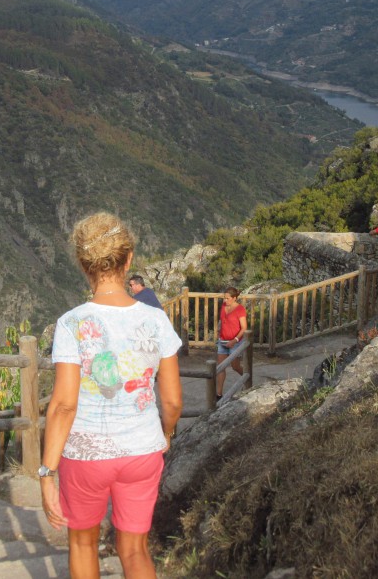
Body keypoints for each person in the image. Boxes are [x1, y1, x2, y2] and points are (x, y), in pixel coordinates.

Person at [41, 212, 183, 579]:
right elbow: (171, 401)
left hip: (86, 456)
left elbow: (63, 405)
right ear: (129, 258)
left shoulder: (71, 323)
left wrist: (46, 473)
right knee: (134, 549)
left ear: (83, 264)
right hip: (142, 452)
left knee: (83, 543)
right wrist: (165, 434)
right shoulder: (156, 320)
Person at [216, 287, 247, 401]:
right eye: (224, 298)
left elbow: (244, 328)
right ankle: (218, 395)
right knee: (220, 368)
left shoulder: (240, 309)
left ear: (234, 298)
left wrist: (234, 341)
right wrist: (218, 332)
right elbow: (222, 321)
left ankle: (247, 378)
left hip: (235, 342)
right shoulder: (224, 306)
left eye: (227, 298)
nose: (225, 301)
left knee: (235, 367)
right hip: (223, 340)